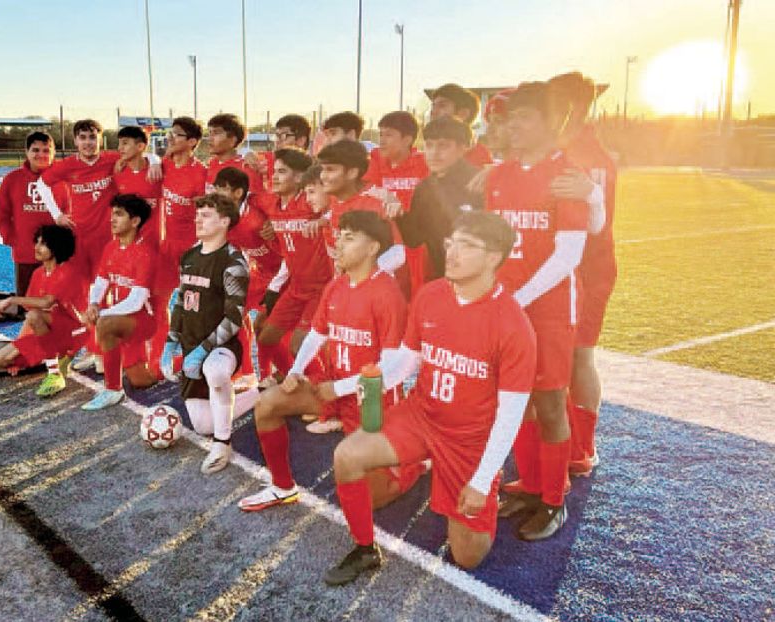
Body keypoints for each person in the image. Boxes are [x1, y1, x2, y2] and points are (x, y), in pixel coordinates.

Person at [323, 211, 536, 584]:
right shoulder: (431, 293)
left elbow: (511, 413)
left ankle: (469, 488)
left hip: (468, 438)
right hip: (421, 415)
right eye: (450, 243)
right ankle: (364, 548)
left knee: (467, 556)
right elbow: (407, 362)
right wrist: (346, 386)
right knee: (347, 457)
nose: (451, 253)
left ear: (494, 258)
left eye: (467, 246)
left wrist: (483, 479)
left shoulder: (512, 323)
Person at [239, 210, 421, 511]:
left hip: (373, 402)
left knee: (370, 499)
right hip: (334, 387)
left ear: (373, 247)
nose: (337, 244)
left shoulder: (387, 294)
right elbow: (316, 334)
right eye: (338, 236)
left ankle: (414, 465)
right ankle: (282, 487)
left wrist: (340, 389)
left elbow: (391, 370)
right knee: (268, 403)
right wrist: (295, 371)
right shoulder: (336, 286)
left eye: (349, 238)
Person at [487, 82, 588, 541]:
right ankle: (530, 483)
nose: (512, 125)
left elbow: (569, 253)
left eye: (523, 116)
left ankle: (554, 500)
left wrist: (519, 298)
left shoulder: (567, 175)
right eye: (509, 117)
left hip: (546, 311)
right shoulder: (500, 174)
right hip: (509, 304)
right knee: (517, 395)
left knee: (549, 402)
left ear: (552, 122)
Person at [35, 120, 160, 373]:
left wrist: (155, 162)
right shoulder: (68, 165)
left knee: (113, 292)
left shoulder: (111, 159)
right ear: (75, 141)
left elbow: (148, 154)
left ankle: (110, 348)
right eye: (83, 138)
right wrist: (57, 214)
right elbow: (41, 184)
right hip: (80, 240)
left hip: (109, 239)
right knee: (84, 297)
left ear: (100, 140)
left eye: (93, 137)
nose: (88, 143)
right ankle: (94, 350)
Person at [547, 72, 617, 478]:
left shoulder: (588, 156)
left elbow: (592, 226)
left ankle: (583, 446)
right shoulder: (563, 149)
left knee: (578, 356)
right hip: (560, 270)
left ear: (569, 108)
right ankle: (559, 442)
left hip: (587, 271)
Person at [160, 193, 258, 473]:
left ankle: (222, 444)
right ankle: (260, 394)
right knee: (203, 424)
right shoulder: (190, 255)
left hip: (223, 347)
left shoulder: (234, 261)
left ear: (225, 221)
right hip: (191, 346)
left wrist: (203, 351)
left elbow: (234, 318)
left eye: (206, 215)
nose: (198, 220)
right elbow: (180, 300)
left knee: (215, 371)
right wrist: (171, 341)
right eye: (197, 214)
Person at [257, 148, 332, 378]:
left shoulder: (311, 202)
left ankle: (322, 396)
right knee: (265, 336)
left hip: (321, 289)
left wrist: (324, 220)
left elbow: (341, 206)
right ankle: (290, 376)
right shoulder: (271, 204)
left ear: (299, 177)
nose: (274, 176)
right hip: (294, 288)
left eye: (282, 171)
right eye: (273, 171)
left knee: (299, 345)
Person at [81, 194, 160, 410]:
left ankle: (113, 390)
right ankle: (123, 365)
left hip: (141, 320)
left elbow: (136, 301)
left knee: (104, 325)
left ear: (135, 221)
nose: (112, 219)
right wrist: (93, 305)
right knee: (140, 380)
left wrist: (102, 315)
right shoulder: (111, 247)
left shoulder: (145, 253)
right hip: (119, 317)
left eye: (119, 214)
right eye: (112, 214)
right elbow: (100, 282)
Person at [0, 225, 88, 397]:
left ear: (57, 247)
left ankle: (55, 373)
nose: (36, 247)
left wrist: (12, 299)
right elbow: (31, 318)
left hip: (75, 332)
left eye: (43, 244)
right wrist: (20, 343)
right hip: (50, 334)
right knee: (1, 359)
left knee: (35, 314)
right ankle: (55, 358)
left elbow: (45, 303)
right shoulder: (38, 273)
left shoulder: (68, 271)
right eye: (36, 242)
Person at [213, 167, 284, 389]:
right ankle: (249, 373)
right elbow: (238, 252)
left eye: (221, 189)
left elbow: (286, 253)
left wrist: (276, 222)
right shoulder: (226, 219)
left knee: (269, 329)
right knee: (230, 313)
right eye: (216, 188)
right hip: (259, 273)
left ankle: (277, 374)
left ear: (237, 193)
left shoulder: (257, 218)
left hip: (284, 275)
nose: (216, 193)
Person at [399, 116, 485, 280]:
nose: (434, 153)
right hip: (442, 278)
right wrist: (398, 215)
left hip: (477, 280)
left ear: (463, 147)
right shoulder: (424, 188)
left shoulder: (479, 183)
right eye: (429, 145)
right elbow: (414, 240)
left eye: (443, 146)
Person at [153, 117, 207, 376]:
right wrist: (154, 160)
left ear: (193, 142)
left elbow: (205, 213)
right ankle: (159, 356)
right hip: (167, 246)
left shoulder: (200, 173)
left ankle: (190, 359)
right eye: (170, 134)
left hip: (192, 248)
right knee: (159, 299)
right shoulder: (163, 165)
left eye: (177, 135)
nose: (171, 138)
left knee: (191, 305)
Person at [114, 125, 166, 374]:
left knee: (158, 308)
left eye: (126, 143)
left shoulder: (158, 171)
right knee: (128, 305)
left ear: (141, 147)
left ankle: (157, 361)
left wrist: (155, 159)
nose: (120, 149)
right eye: (119, 143)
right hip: (128, 254)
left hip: (157, 252)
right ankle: (134, 361)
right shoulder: (119, 173)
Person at [316, 140, 406, 285]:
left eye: (330, 170)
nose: (323, 176)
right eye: (323, 169)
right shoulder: (335, 198)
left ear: (352, 172)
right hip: (345, 288)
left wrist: (364, 273)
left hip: (374, 293)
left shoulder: (376, 203)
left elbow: (401, 250)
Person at [364, 111, 430, 291]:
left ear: (407, 140)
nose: (382, 140)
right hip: (386, 239)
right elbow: (368, 190)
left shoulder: (423, 162)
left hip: (414, 241)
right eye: (381, 134)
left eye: (389, 135)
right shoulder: (377, 158)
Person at [0, 131, 63, 295]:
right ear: (27, 152)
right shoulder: (13, 179)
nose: (41, 155)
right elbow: (0, 211)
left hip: (57, 254)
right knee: (26, 302)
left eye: (46, 150)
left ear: (53, 153)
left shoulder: (64, 178)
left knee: (57, 304)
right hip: (25, 252)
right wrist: (10, 237)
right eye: (35, 150)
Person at [429, 83, 494, 167]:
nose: (433, 112)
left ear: (463, 114)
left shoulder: (479, 157)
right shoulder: (426, 156)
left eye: (442, 106)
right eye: (433, 106)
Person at [245, 114, 311, 187]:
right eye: (276, 136)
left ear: (301, 140)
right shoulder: (264, 160)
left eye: (283, 136)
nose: (277, 141)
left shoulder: (313, 169)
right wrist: (249, 157)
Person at [204, 113, 264, 195]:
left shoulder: (246, 168)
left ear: (232, 140)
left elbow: (253, 203)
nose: (210, 138)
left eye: (216, 133)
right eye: (209, 133)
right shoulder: (211, 164)